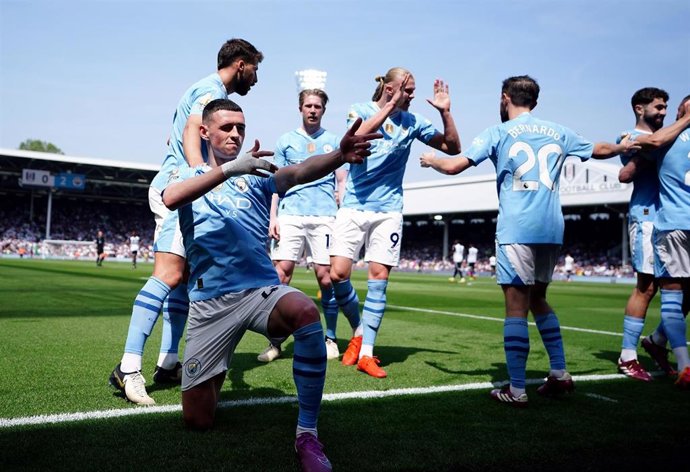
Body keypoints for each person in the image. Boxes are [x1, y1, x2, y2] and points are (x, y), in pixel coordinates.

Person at [161, 98, 379, 471]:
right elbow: (171, 199)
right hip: (210, 303)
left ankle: (307, 434)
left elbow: (298, 171)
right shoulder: (185, 173)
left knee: (304, 310)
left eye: (240, 128)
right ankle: (217, 363)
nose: (235, 134)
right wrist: (230, 169)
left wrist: (339, 156)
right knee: (198, 420)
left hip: (260, 291)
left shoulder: (256, 174)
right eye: (227, 127)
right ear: (204, 132)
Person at [420, 75, 640, 406]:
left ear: (504, 97)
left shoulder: (498, 132)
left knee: (516, 308)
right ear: (534, 102)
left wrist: (432, 160)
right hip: (551, 228)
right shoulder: (559, 131)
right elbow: (598, 149)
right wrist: (624, 146)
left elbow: (453, 167)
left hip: (517, 227)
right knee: (539, 299)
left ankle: (517, 388)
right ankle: (560, 374)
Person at [109, 38, 264, 405]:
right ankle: (128, 367)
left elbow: (175, 133)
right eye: (256, 69)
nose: (257, 79)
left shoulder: (199, 90)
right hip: (181, 189)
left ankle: (168, 361)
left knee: (182, 282)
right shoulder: (210, 91)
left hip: (183, 184)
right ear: (241, 64)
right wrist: (200, 175)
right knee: (169, 274)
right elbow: (190, 130)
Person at [330, 67, 461, 378]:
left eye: (412, 91)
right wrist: (390, 105)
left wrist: (445, 114)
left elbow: (453, 148)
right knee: (337, 274)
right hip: (354, 206)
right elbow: (355, 140)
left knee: (378, 278)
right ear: (389, 88)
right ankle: (359, 330)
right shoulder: (359, 110)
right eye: (408, 90)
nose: (412, 96)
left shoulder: (413, 122)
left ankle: (367, 353)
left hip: (389, 209)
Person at [260, 89, 353, 363]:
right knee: (280, 275)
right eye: (308, 106)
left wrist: (342, 211)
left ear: (324, 110)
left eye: (317, 106)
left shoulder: (335, 141)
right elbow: (276, 182)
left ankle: (331, 338)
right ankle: (275, 342)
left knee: (326, 277)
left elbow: (341, 182)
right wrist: (273, 216)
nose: (313, 110)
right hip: (290, 214)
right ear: (300, 108)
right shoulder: (286, 141)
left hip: (324, 215)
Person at [619, 96, 690, 386]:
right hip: (647, 217)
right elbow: (625, 174)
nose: (663, 112)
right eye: (658, 107)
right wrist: (640, 155)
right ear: (640, 108)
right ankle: (627, 356)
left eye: (666, 108)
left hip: (667, 219)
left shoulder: (671, 137)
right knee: (646, 287)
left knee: (684, 290)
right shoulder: (637, 137)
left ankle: (658, 339)